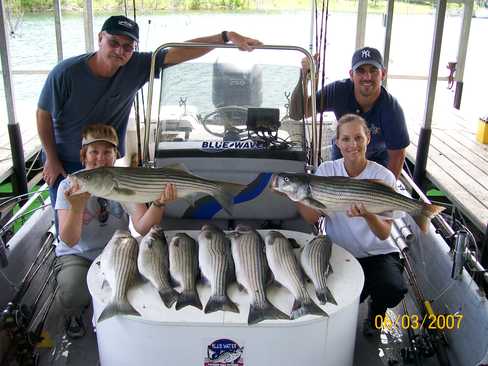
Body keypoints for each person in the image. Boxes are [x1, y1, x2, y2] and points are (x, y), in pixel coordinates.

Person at [37, 14, 262, 213]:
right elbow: (42, 114)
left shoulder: (136, 65)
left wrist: (225, 36)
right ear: (100, 38)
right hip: (65, 161)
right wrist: (52, 160)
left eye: (128, 46)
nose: (120, 51)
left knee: (107, 218)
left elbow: (178, 52)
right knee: (70, 229)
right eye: (113, 42)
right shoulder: (66, 73)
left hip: (107, 161)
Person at [54, 124, 176, 339]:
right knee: (73, 292)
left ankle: (130, 321)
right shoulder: (69, 185)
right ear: (83, 155)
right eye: (94, 152)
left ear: (115, 156)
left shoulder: (122, 182)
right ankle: (73, 313)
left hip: (118, 250)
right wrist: (76, 207)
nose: (100, 158)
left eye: (107, 152)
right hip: (79, 254)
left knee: (146, 281)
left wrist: (158, 204)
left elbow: (142, 227)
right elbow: (70, 240)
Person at [297, 114, 407, 336]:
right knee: (338, 298)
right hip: (341, 252)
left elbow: (385, 234)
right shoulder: (327, 171)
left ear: (368, 138)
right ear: (337, 142)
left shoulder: (383, 175)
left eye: (358, 137)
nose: (352, 144)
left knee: (392, 289)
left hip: (378, 253)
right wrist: (297, 196)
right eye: (346, 139)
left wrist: (368, 215)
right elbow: (312, 218)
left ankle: (376, 311)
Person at [289, 46, 409, 179]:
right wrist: (304, 76)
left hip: (378, 159)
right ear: (351, 74)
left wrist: (387, 191)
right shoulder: (338, 91)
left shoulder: (392, 110)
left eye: (373, 70)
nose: (367, 77)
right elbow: (298, 113)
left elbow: (397, 155)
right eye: (361, 71)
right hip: (343, 153)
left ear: (383, 74)